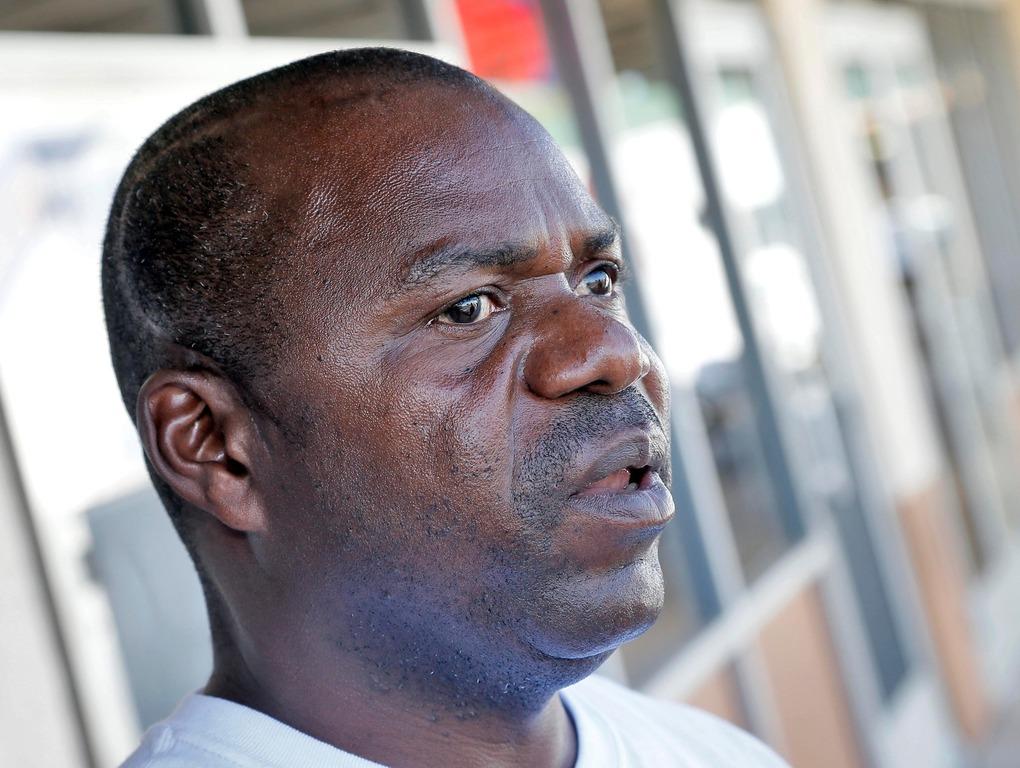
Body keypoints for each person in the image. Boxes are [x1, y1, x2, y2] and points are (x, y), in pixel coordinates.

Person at [103, 47, 788, 768]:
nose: (615, 353)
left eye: (597, 280)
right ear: (217, 447)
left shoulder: (719, 755)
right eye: (468, 309)